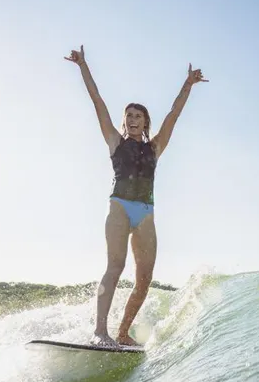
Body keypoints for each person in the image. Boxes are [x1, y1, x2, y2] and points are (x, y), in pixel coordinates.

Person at [64, 45, 208, 347]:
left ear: (145, 122)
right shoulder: (115, 141)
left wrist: (188, 84)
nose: (132, 118)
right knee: (115, 267)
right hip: (119, 207)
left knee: (144, 279)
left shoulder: (154, 147)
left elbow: (174, 114)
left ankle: (122, 332)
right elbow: (97, 101)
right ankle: (100, 332)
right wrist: (83, 67)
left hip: (146, 213)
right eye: (128, 115)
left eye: (137, 115)